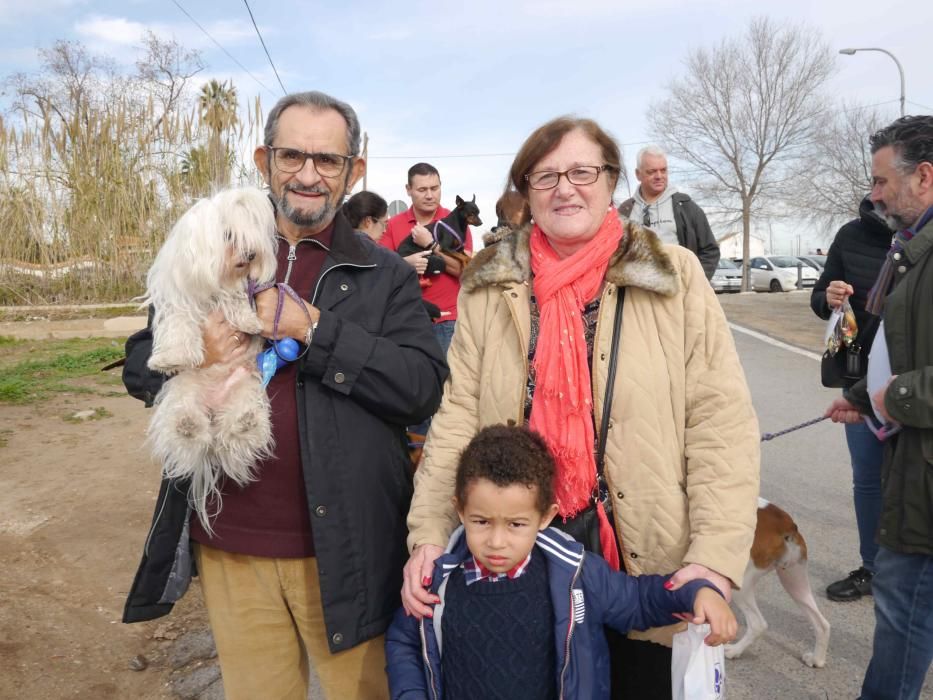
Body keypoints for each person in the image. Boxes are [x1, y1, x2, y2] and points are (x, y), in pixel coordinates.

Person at [402, 116, 760, 700]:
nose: (564, 187)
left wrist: (714, 560)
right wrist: (427, 536)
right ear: (526, 190)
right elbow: (458, 420)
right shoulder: (489, 286)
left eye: (581, 171)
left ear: (612, 181)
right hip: (523, 561)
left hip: (645, 562)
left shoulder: (675, 276)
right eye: (544, 176)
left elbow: (720, 424)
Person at [121, 90, 447, 700]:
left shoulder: (388, 275)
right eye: (292, 154)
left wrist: (314, 330)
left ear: (355, 171)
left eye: (327, 160)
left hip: (349, 551)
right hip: (230, 545)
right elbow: (140, 362)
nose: (307, 173)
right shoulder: (214, 249)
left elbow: (421, 389)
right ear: (263, 158)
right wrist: (202, 355)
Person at [386, 424, 736, 700]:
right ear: (459, 509)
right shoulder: (437, 580)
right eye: (480, 521)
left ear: (545, 517)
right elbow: (405, 642)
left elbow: (639, 601)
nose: (496, 541)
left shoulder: (575, 574)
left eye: (516, 524)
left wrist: (696, 593)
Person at [826, 115, 933, 700]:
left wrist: (899, 396)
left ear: (924, 175)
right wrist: (863, 398)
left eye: (881, 180)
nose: (874, 193)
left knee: (902, 617)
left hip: (923, 482)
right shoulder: (911, 251)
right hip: (909, 456)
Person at [810, 196, 892, 602]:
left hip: (913, 379)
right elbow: (817, 297)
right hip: (860, 378)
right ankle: (872, 568)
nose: (877, 191)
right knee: (868, 479)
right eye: (874, 181)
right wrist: (830, 295)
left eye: (884, 180)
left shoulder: (919, 238)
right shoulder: (851, 234)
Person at [379, 162, 474, 354]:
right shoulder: (392, 225)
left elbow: (464, 271)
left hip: (447, 321)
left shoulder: (458, 222)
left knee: (446, 383)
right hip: (405, 320)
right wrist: (406, 264)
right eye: (422, 189)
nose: (430, 195)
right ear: (408, 190)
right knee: (408, 383)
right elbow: (382, 271)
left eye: (435, 188)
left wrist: (432, 246)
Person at [617, 144, 720, 279]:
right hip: (638, 294)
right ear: (638, 174)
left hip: (678, 292)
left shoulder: (686, 206)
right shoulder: (625, 211)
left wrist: (695, 282)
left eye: (663, 170)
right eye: (652, 171)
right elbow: (615, 255)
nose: (659, 176)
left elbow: (710, 250)